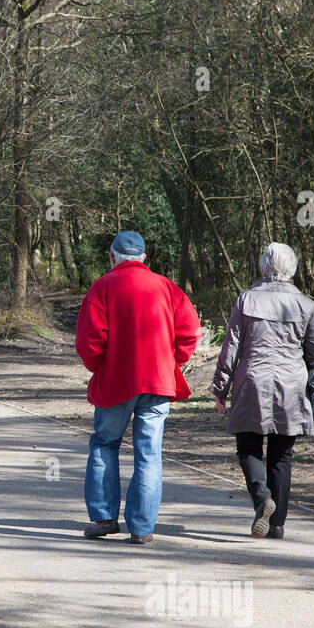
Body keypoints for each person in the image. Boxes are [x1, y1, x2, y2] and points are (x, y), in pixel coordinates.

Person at [75, 230, 201, 543]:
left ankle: (104, 518)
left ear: (112, 256)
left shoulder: (102, 287)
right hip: (158, 380)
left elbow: (89, 342)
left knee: (105, 443)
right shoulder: (167, 288)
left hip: (116, 381)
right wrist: (172, 363)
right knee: (149, 453)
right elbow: (190, 332)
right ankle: (142, 528)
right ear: (144, 257)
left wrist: (98, 367)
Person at [211, 242, 314, 539]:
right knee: (281, 455)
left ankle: (263, 499)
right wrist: (301, 364)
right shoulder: (305, 304)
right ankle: (277, 526)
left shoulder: (246, 300)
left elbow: (231, 349)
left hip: (252, 381)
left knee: (248, 447)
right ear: (292, 269)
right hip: (291, 384)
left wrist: (220, 388)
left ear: (264, 267)